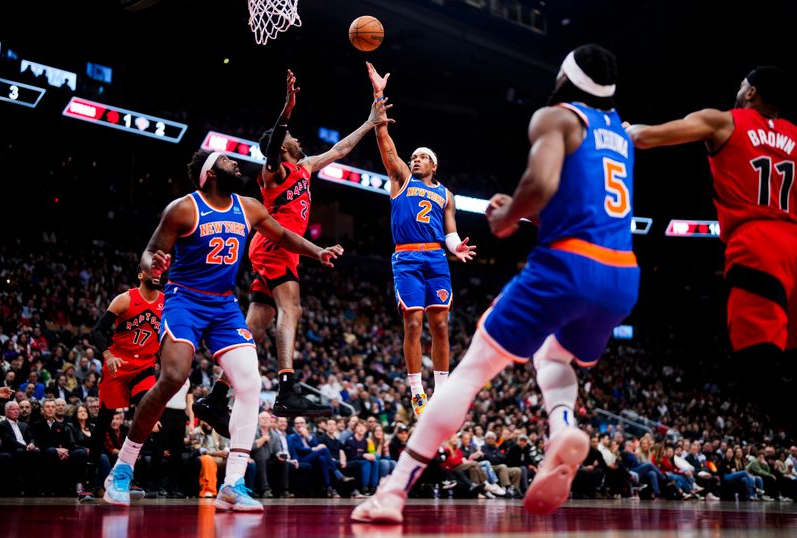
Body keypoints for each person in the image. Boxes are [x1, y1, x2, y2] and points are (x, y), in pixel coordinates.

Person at [352, 44, 638, 523]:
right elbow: (578, 202)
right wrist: (378, 108)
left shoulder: (556, 117)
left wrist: (506, 216)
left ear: (566, 77)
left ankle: (393, 491)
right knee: (554, 353)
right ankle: (562, 422)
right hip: (621, 275)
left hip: (565, 265)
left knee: (468, 373)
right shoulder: (621, 135)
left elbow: (541, 184)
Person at [103, 147, 343, 510]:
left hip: (223, 305)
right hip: (185, 300)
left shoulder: (248, 206)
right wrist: (155, 266)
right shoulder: (183, 208)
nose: (237, 164)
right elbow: (150, 252)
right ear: (211, 173)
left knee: (250, 383)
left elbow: (282, 236)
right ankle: (122, 467)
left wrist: (318, 250)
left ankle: (233, 483)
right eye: (228, 161)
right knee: (172, 376)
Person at [194, 69, 393, 430]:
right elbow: (272, 146)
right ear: (284, 145)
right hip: (274, 246)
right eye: (293, 137)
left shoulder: (304, 167)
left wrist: (369, 121)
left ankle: (215, 398)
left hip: (278, 249)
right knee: (292, 307)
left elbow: (339, 149)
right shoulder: (274, 172)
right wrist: (287, 108)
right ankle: (287, 386)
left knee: (257, 324)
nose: (300, 141)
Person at [624, 66, 797, 416]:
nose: (738, 89)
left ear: (751, 93)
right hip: (793, 241)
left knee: (756, 368)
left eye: (741, 84)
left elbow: (646, 137)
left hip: (756, 242)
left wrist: (625, 130)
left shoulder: (723, 121)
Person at [366, 61, 477, 416]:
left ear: (434, 165)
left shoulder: (446, 193)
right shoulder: (401, 179)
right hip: (407, 258)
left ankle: (441, 390)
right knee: (413, 322)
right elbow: (384, 142)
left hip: (437, 259)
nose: (415, 159)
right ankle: (417, 389)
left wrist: (456, 246)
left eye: (422, 157)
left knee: (440, 324)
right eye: (413, 156)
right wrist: (379, 96)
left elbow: (450, 231)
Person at [79, 270, 163, 502]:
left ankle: (125, 473)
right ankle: (87, 482)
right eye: (151, 270)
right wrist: (107, 355)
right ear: (140, 274)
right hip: (118, 363)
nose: (157, 274)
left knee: (146, 416)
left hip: (145, 365)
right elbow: (97, 331)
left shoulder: (166, 302)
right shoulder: (125, 298)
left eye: (160, 271)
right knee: (104, 421)